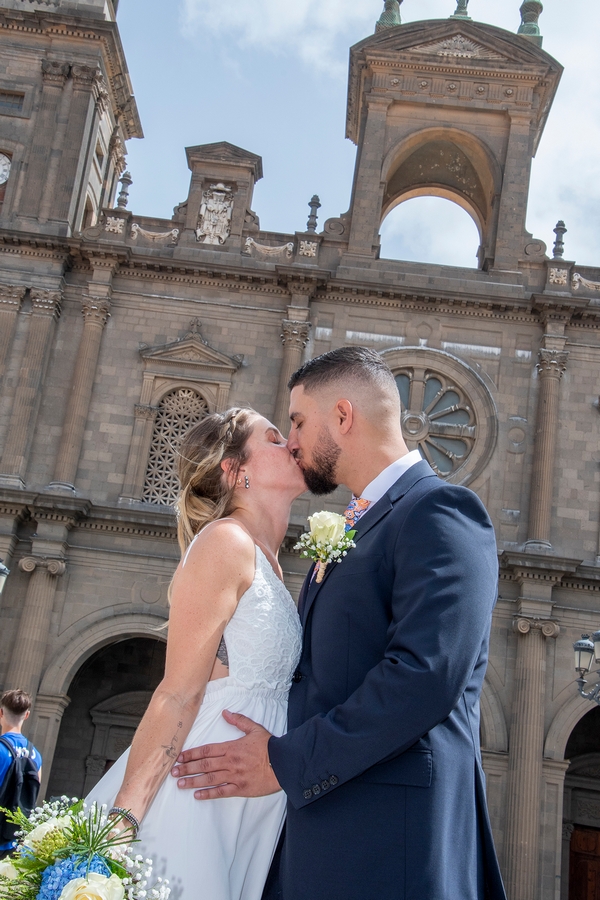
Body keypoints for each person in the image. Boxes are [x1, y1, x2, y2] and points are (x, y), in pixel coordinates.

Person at [173, 347, 507, 900]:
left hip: (392, 847)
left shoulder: (440, 511)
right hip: (320, 835)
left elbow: (424, 676)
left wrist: (285, 762)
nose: (293, 441)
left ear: (344, 416)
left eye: (299, 422)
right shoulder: (365, 521)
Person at [86, 408, 306, 899]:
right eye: (273, 438)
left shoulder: (269, 558)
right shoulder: (224, 543)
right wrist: (126, 817)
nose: (290, 442)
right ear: (235, 469)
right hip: (202, 785)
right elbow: (178, 693)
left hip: (248, 789)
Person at [0, 690, 42, 859]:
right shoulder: (35, 754)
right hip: (12, 840)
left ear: (1, 712)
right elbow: (35, 795)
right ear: (27, 715)